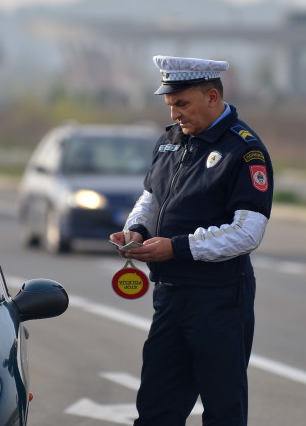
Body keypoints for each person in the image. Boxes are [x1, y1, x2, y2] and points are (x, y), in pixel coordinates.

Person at [110, 55, 273, 425]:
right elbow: (151, 196)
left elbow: (248, 231)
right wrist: (137, 229)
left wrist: (177, 247)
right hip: (170, 294)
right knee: (155, 411)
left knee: (222, 412)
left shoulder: (243, 150)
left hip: (219, 300)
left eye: (183, 104)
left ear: (212, 97)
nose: (175, 115)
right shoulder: (170, 140)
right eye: (170, 106)